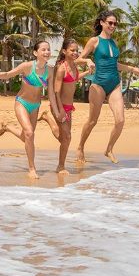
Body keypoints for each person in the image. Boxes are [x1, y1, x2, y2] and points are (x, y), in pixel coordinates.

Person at [76, 10, 139, 164]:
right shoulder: (94, 41)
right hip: (98, 84)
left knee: (120, 120)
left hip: (114, 84)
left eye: (115, 23)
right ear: (102, 23)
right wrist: (87, 61)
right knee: (92, 121)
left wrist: (132, 69)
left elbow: (115, 64)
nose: (113, 26)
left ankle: (109, 149)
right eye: (110, 23)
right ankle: (80, 147)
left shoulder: (113, 43)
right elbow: (79, 59)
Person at [0, 41, 51, 179]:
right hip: (22, 103)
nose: (47, 52)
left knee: (26, 137)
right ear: (36, 53)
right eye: (43, 49)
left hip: (36, 106)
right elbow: (7, 74)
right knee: (29, 134)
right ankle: (32, 168)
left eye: (48, 49)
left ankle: (7, 127)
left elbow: (53, 91)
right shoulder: (27, 66)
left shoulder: (50, 70)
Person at [40, 38, 83, 175]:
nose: (75, 53)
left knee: (64, 138)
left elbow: (74, 79)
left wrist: (87, 72)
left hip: (69, 107)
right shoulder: (61, 68)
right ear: (64, 51)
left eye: (77, 50)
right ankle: (60, 166)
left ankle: (47, 118)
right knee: (67, 137)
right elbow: (57, 92)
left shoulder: (74, 67)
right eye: (72, 50)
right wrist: (61, 111)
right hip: (60, 107)